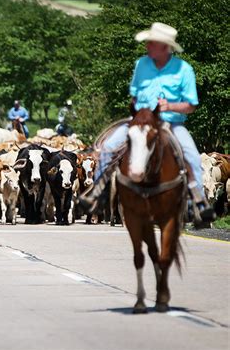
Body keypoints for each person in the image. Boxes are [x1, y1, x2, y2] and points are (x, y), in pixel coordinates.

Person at [79, 22, 214, 224]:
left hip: (170, 123)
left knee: (193, 156)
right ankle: (97, 191)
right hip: (139, 121)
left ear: (164, 46)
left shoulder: (184, 70)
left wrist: (170, 106)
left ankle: (199, 201)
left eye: (152, 42)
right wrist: (137, 113)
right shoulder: (141, 64)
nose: (147, 45)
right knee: (107, 148)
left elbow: (191, 105)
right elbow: (134, 96)